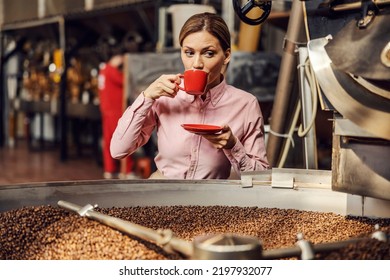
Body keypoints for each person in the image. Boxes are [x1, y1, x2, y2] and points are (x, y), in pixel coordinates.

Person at [110, 12, 269, 179]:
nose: (196, 64)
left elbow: (260, 178)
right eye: (189, 53)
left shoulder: (245, 104)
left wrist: (233, 146)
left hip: (210, 198)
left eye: (208, 53)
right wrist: (147, 96)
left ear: (226, 55)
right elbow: (118, 150)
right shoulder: (165, 95)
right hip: (163, 193)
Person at [98, 50, 135, 179]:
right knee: (124, 138)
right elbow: (126, 82)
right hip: (115, 111)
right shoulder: (110, 70)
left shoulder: (103, 70)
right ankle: (126, 171)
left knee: (108, 141)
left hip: (107, 110)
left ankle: (109, 169)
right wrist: (126, 67)